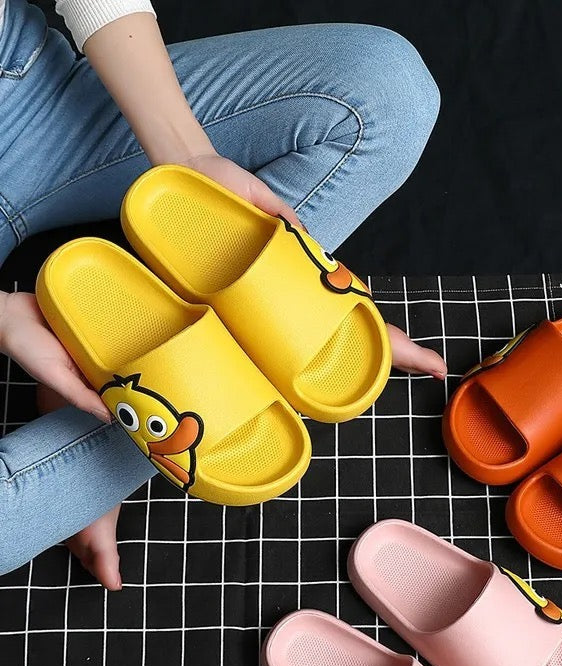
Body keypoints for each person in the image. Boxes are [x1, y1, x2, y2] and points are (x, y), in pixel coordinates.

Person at [0, 0, 445, 588]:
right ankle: (205, 353)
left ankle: (131, 355)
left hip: (23, 93)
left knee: (389, 92)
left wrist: (189, 157)